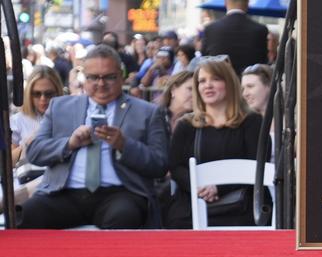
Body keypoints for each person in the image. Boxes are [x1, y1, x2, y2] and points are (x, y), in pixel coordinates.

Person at [20, 45, 169, 229]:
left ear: (121, 76)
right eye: (93, 77)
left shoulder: (148, 112)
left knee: (124, 217)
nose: (101, 83)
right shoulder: (60, 107)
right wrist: (69, 144)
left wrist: (124, 145)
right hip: (64, 193)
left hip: (120, 193)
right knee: (29, 213)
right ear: (84, 78)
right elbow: (35, 152)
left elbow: (160, 165)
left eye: (109, 77)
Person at [165, 56, 263, 227]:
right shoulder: (186, 125)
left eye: (215, 79)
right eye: (202, 81)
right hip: (191, 204)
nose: (207, 85)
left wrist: (218, 187)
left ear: (229, 84)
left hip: (240, 207)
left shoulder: (252, 122)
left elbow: (256, 165)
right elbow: (175, 166)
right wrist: (198, 187)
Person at [11, 66, 64, 169]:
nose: (42, 99)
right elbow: (6, 162)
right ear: (29, 94)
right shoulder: (18, 121)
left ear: (58, 92)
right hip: (29, 179)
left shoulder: (69, 116)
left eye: (48, 94)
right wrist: (29, 144)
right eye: (36, 94)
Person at [202, 0, 268, 75]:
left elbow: (204, 58)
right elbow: (263, 61)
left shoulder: (211, 28)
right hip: (248, 82)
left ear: (225, 3)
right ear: (248, 4)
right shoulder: (260, 30)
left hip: (220, 80)